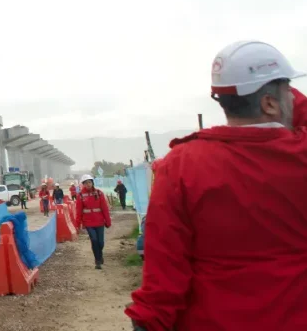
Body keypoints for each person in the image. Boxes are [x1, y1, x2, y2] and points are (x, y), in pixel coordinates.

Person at [126, 40, 307, 331]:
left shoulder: (181, 166)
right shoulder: (298, 155)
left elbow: (164, 276)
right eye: (288, 91)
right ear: (270, 103)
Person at [75, 174, 111, 269]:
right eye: (86, 183)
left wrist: (108, 221)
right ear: (83, 184)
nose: (88, 184)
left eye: (89, 182)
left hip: (99, 222)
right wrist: (77, 225)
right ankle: (97, 260)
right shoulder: (80, 195)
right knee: (94, 240)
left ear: (92, 183)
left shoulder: (99, 193)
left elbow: (104, 208)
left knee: (101, 242)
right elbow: (78, 211)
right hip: (88, 223)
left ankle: (100, 254)